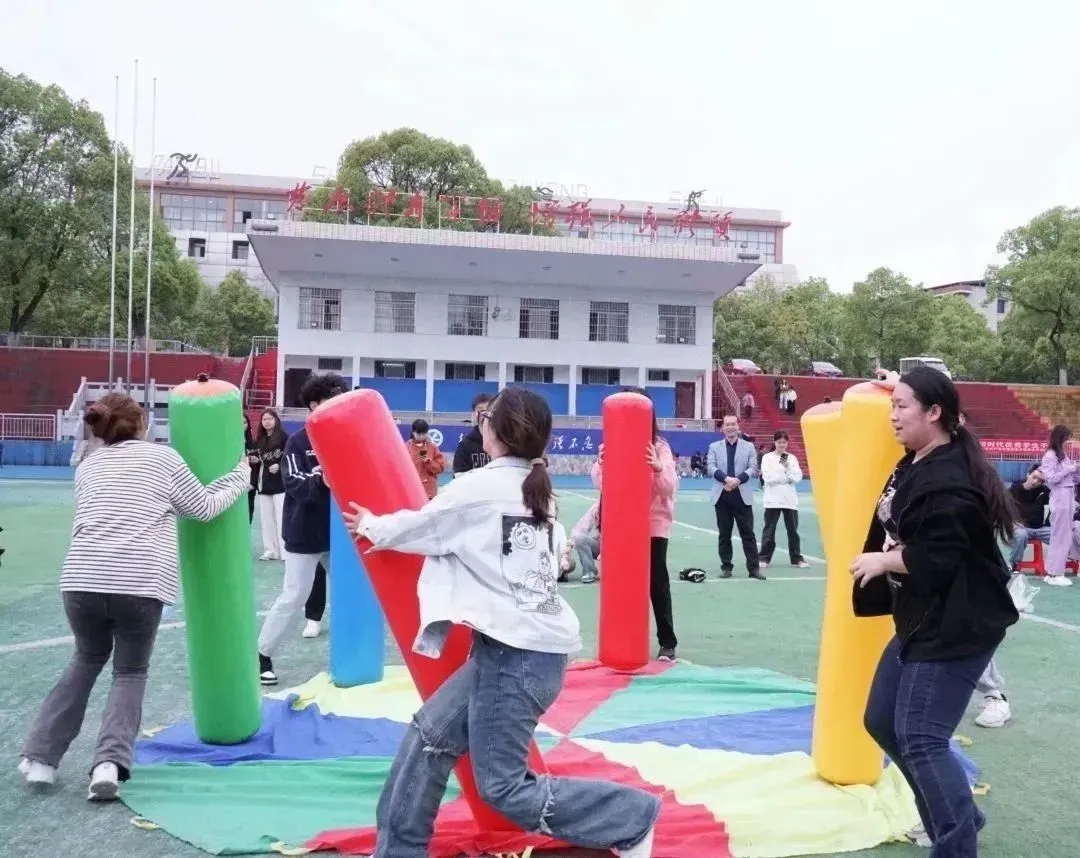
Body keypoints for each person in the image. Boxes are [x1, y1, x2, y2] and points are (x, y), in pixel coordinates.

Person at [342, 387, 660, 858]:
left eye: (486, 418)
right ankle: (398, 850)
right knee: (430, 737)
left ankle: (631, 818)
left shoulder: (479, 488)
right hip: (516, 651)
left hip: (517, 658)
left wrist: (371, 524)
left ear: (494, 430)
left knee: (504, 788)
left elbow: (421, 527)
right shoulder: (536, 487)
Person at [19, 393, 249, 799]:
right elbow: (203, 508)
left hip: (81, 578)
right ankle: (108, 764)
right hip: (139, 582)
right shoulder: (164, 459)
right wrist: (238, 478)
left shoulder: (88, 466)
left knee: (85, 659)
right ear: (141, 424)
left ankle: (41, 759)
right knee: (129, 672)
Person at [851, 366, 1019, 854]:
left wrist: (882, 560)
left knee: (922, 738)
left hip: (956, 625)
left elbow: (936, 557)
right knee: (882, 720)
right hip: (923, 619)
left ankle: (956, 840)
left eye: (901, 406)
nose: (892, 415)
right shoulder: (922, 455)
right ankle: (956, 816)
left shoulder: (949, 481)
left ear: (934, 413)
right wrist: (899, 383)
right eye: (893, 405)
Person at [256, 372, 346, 686]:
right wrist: (321, 480)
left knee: (354, 594)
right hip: (305, 534)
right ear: (314, 405)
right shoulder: (298, 442)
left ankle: (351, 659)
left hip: (340, 537)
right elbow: (294, 483)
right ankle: (263, 654)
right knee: (294, 595)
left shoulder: (345, 437)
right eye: (330, 401)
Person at [592, 387, 679, 660]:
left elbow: (668, 488)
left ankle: (667, 642)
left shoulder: (660, 447)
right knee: (620, 581)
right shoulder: (615, 440)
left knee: (656, 582)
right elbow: (601, 484)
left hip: (653, 523)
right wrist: (601, 463)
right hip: (623, 523)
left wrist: (657, 467)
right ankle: (621, 642)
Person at [707, 413, 763, 580]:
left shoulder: (749, 446)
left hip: (742, 496)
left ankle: (754, 569)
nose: (730, 427)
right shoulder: (714, 447)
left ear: (738, 426)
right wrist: (726, 479)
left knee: (748, 534)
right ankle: (726, 566)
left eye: (733, 424)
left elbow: (753, 467)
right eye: (727, 424)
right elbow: (711, 467)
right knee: (724, 534)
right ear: (722, 427)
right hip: (722, 495)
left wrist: (737, 480)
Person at [758, 430, 809, 569]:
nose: (782, 445)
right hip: (772, 500)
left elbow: (797, 477)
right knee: (769, 529)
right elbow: (768, 478)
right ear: (774, 442)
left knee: (793, 530)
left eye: (784, 442)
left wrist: (787, 470)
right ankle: (764, 557)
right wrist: (786, 478)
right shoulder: (767, 457)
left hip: (789, 500)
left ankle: (796, 558)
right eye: (779, 442)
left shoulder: (790, 458)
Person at [1040, 424, 1076, 586]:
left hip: (1068, 494)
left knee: (1063, 535)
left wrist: (1075, 470)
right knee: (1060, 535)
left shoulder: (1063, 455)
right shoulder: (1050, 456)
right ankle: (1056, 573)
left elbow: (1069, 475)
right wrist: (1069, 469)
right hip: (1060, 495)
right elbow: (1051, 478)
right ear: (1060, 438)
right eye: (1067, 439)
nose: (1068, 442)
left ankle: (1052, 572)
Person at [255, 408, 288, 561]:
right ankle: (270, 550)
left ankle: (285, 550)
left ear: (276, 420)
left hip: (280, 484)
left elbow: (290, 456)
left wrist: (279, 465)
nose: (267, 422)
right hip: (264, 484)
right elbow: (258, 461)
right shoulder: (260, 440)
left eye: (270, 418)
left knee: (281, 518)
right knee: (266, 520)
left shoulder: (284, 437)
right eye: (264, 419)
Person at [1006, 464, 1050, 570]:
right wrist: (1012, 523)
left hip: (1040, 529)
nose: (1035, 482)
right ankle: (1014, 564)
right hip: (1020, 528)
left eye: (1040, 481)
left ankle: (1058, 565)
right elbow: (1003, 510)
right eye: (1034, 477)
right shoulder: (1013, 491)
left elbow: (1058, 503)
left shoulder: (1044, 491)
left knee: (1062, 535)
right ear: (1028, 474)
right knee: (1021, 534)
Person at [452, 392, 493, 475]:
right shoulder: (465, 445)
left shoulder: (503, 442)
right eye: (480, 410)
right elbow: (459, 474)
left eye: (489, 409)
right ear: (474, 414)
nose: (485, 413)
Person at [561, 499, 600, 584]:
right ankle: (589, 571)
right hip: (601, 545)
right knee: (579, 538)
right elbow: (579, 529)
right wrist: (570, 544)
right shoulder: (597, 507)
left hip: (620, 547)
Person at [406, 418, 446, 500]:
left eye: (423, 433)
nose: (421, 436)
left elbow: (440, 468)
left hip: (429, 491)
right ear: (413, 432)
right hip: (411, 489)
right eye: (418, 433)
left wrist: (428, 462)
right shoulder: (406, 447)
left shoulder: (432, 447)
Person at [244, 414, 260, 524]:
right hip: (233, 486)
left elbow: (256, 467)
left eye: (244, 422)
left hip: (249, 485)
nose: (242, 425)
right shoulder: (229, 443)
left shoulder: (253, 444)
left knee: (248, 511)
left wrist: (252, 483)